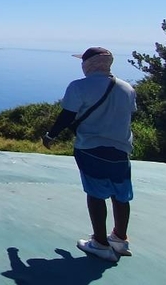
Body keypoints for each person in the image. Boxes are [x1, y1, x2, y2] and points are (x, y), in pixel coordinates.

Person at [42, 47, 136, 262]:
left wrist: (50, 136)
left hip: (91, 147)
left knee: (95, 194)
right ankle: (120, 240)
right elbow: (128, 115)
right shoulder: (127, 88)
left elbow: (67, 115)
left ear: (88, 64)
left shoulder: (79, 86)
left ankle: (100, 243)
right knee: (120, 194)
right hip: (121, 149)